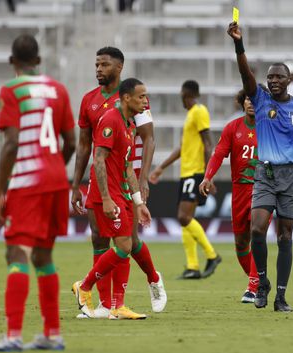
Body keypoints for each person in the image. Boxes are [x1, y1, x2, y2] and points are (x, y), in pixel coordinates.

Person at [0, 34, 76, 352]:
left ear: (12, 61)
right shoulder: (58, 89)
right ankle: (52, 333)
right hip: (55, 182)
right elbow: (73, 143)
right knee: (43, 255)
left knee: (17, 253)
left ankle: (13, 335)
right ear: (39, 61)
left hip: (27, 182)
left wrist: (0, 190)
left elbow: (11, 143)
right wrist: (55, 169)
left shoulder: (11, 90)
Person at [227, 22, 293, 312]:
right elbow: (245, 72)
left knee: (284, 236)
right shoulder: (260, 97)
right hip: (265, 173)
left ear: (289, 79)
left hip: (291, 176)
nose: (274, 80)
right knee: (257, 229)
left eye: (279, 76)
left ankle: (281, 296)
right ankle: (262, 283)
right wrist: (238, 44)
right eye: (270, 77)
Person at [71, 47, 166, 318]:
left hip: (126, 179)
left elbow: (147, 139)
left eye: (104, 65)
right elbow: (86, 148)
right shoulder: (92, 102)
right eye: (96, 64)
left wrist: (142, 180)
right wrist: (76, 184)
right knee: (103, 240)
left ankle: (149, 280)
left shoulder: (132, 99)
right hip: (104, 182)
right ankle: (105, 304)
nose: (99, 69)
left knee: (128, 242)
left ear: (119, 67)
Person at [149, 80, 222, 279]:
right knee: (185, 219)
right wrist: (161, 168)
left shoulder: (199, 111)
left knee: (183, 217)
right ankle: (192, 266)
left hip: (196, 173)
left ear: (185, 93)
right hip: (187, 173)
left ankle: (212, 255)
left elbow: (209, 144)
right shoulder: (191, 115)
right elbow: (183, 148)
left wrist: (209, 175)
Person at [198, 90, 259, 303]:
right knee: (241, 244)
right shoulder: (233, 128)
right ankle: (260, 280)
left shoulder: (270, 127)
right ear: (242, 102)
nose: (251, 103)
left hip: (263, 190)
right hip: (240, 191)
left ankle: (253, 288)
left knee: (257, 233)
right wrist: (208, 176)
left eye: (255, 99)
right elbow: (219, 153)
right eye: (248, 99)